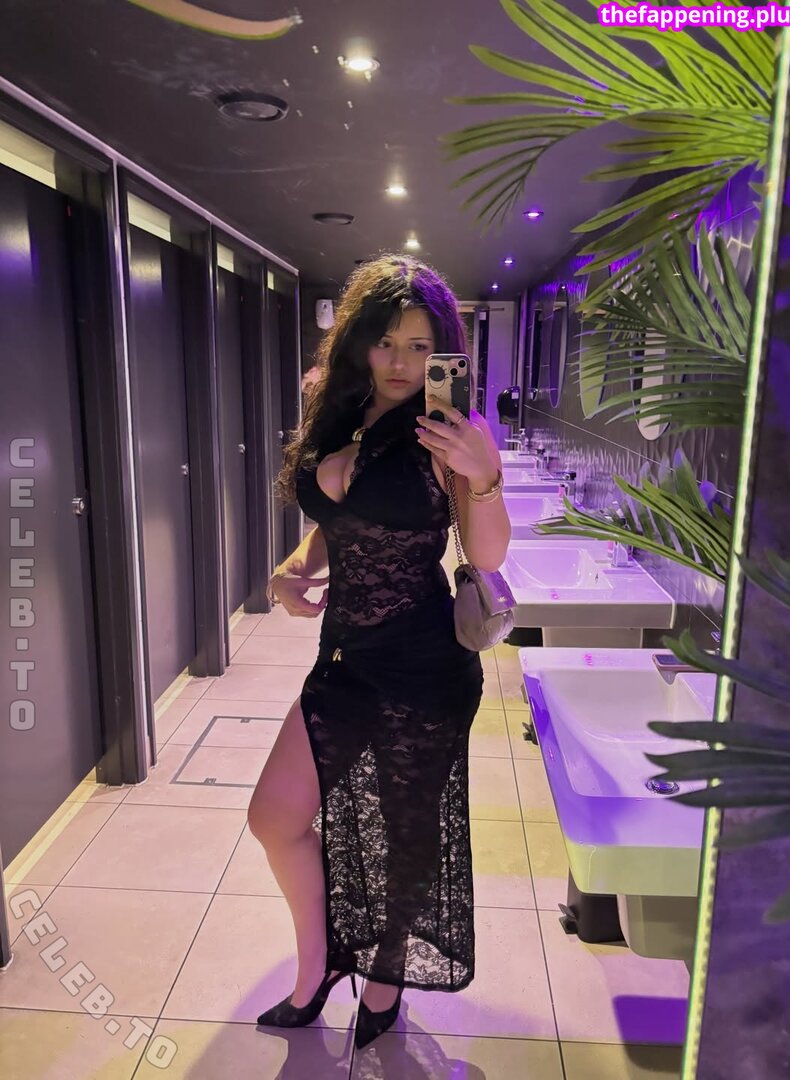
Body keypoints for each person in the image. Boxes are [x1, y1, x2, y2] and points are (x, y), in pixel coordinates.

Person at [247, 253, 511, 1050]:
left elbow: (489, 555)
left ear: (442, 351)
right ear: (361, 340)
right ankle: (320, 965)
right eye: (387, 342)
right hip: (345, 659)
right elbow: (340, 518)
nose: (401, 362)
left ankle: (385, 980)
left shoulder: (448, 431)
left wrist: (485, 476)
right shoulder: (341, 410)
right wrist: (293, 568)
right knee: (275, 817)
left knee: (404, 836)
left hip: (425, 667)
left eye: (420, 346)